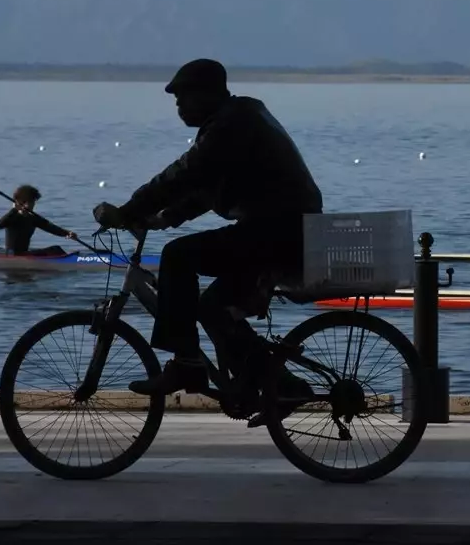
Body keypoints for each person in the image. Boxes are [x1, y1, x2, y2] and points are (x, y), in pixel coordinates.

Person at [92, 58, 323, 408]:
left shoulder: (231, 124)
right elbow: (209, 185)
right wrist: (166, 217)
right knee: (212, 306)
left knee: (177, 256)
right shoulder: (239, 117)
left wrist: (129, 210)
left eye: (183, 96)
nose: (178, 105)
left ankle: (188, 365)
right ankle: (282, 386)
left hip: (278, 231)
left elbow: (187, 172)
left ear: (208, 93)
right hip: (281, 229)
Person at [0, 185, 78, 256]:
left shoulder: (33, 218)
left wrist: (67, 233)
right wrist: (14, 210)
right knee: (55, 249)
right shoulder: (13, 216)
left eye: (34, 202)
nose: (34, 204)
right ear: (23, 202)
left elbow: (50, 228)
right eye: (32, 202)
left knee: (56, 249)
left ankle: (70, 260)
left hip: (25, 254)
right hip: (12, 255)